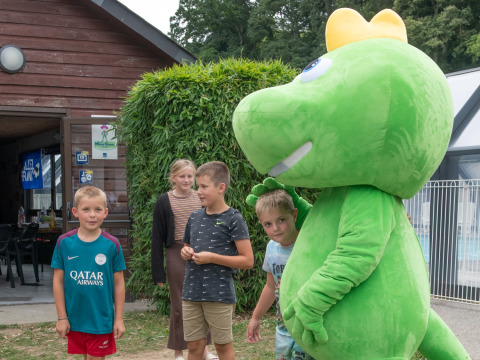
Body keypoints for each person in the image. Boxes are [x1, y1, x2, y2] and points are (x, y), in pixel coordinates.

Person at [180, 161, 254, 360]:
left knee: (222, 347)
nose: (198, 191)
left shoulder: (234, 218)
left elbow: (248, 260)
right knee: (194, 347)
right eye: (198, 186)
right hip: (191, 292)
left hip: (219, 294)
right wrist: (185, 252)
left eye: (204, 186)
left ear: (221, 187)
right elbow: (185, 247)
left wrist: (212, 258)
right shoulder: (194, 217)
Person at [51, 185, 126, 359]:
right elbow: (58, 281)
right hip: (75, 317)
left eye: (97, 210)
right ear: (75, 212)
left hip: (101, 318)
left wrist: (119, 319)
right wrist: (62, 317)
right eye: (86, 209)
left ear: (106, 212)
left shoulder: (112, 244)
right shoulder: (64, 242)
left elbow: (119, 282)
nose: (92, 215)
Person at [151, 159, 216, 360]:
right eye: (182, 176)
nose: (186, 180)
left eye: (190, 176)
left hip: (200, 252)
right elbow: (157, 237)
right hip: (175, 252)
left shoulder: (200, 197)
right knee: (179, 303)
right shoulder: (164, 201)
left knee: (202, 300)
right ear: (173, 178)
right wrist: (157, 272)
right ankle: (179, 351)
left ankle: (204, 349)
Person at [246, 189, 313, 360]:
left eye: (281, 220)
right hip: (283, 328)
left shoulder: (309, 245)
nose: (275, 228)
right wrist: (256, 317)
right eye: (268, 224)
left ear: (294, 214)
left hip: (308, 328)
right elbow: (270, 286)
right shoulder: (271, 248)